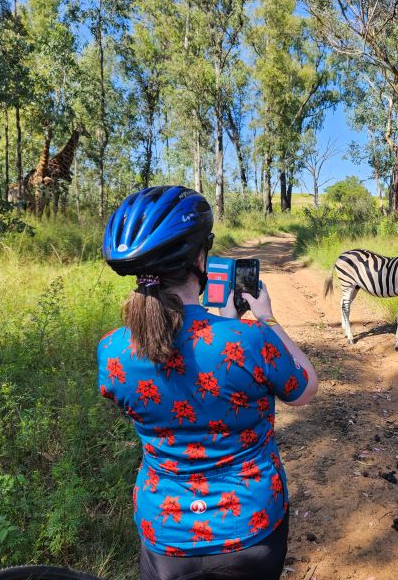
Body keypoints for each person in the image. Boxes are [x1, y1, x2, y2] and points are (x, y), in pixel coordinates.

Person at [98, 186, 318, 580]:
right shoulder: (248, 339)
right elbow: (305, 389)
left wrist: (221, 323)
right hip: (249, 528)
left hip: (162, 531)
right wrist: (264, 319)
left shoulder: (111, 351)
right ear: (200, 258)